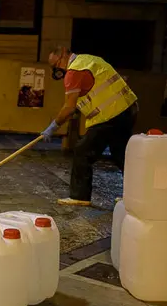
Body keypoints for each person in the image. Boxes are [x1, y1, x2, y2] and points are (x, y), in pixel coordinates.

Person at [41, 46, 138, 206]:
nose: (57, 69)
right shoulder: (90, 60)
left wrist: (53, 126)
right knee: (121, 154)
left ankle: (80, 196)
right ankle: (133, 196)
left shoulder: (74, 72)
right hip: (127, 109)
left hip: (108, 116)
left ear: (64, 55)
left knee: (82, 151)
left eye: (55, 64)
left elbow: (69, 107)